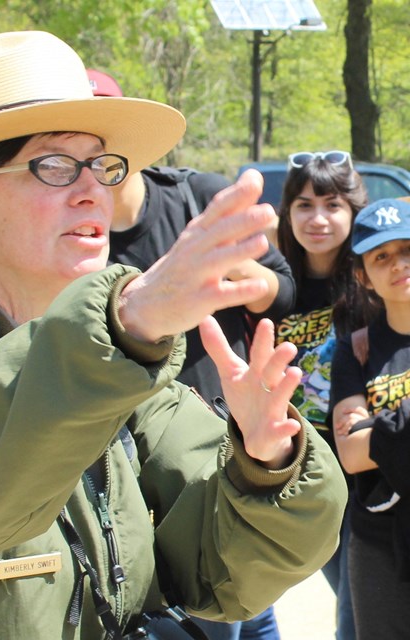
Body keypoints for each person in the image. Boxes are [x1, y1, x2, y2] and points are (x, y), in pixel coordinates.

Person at [0, 31, 347, 639]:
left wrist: (268, 461)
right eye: (52, 165)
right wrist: (125, 322)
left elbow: (229, 574)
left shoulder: (120, 376)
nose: (93, 191)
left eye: (102, 165)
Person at [88, 68, 293, 640]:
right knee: (203, 601)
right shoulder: (70, 232)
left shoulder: (192, 196)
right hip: (136, 460)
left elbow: (283, 287)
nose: (96, 155)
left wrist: (205, 272)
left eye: (107, 133)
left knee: (252, 602)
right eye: (71, 144)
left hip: (225, 431)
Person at [274, 150, 368, 640]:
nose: (318, 218)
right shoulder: (271, 283)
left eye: (332, 205)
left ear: (352, 211)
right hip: (297, 473)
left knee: (356, 616)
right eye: (304, 204)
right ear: (287, 212)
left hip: (361, 473)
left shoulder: (372, 279)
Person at [331, 197, 410, 640]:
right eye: (382, 256)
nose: (398, 263)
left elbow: (367, 440)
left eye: (407, 249)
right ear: (364, 276)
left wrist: (380, 429)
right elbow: (352, 453)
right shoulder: (355, 349)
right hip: (378, 540)